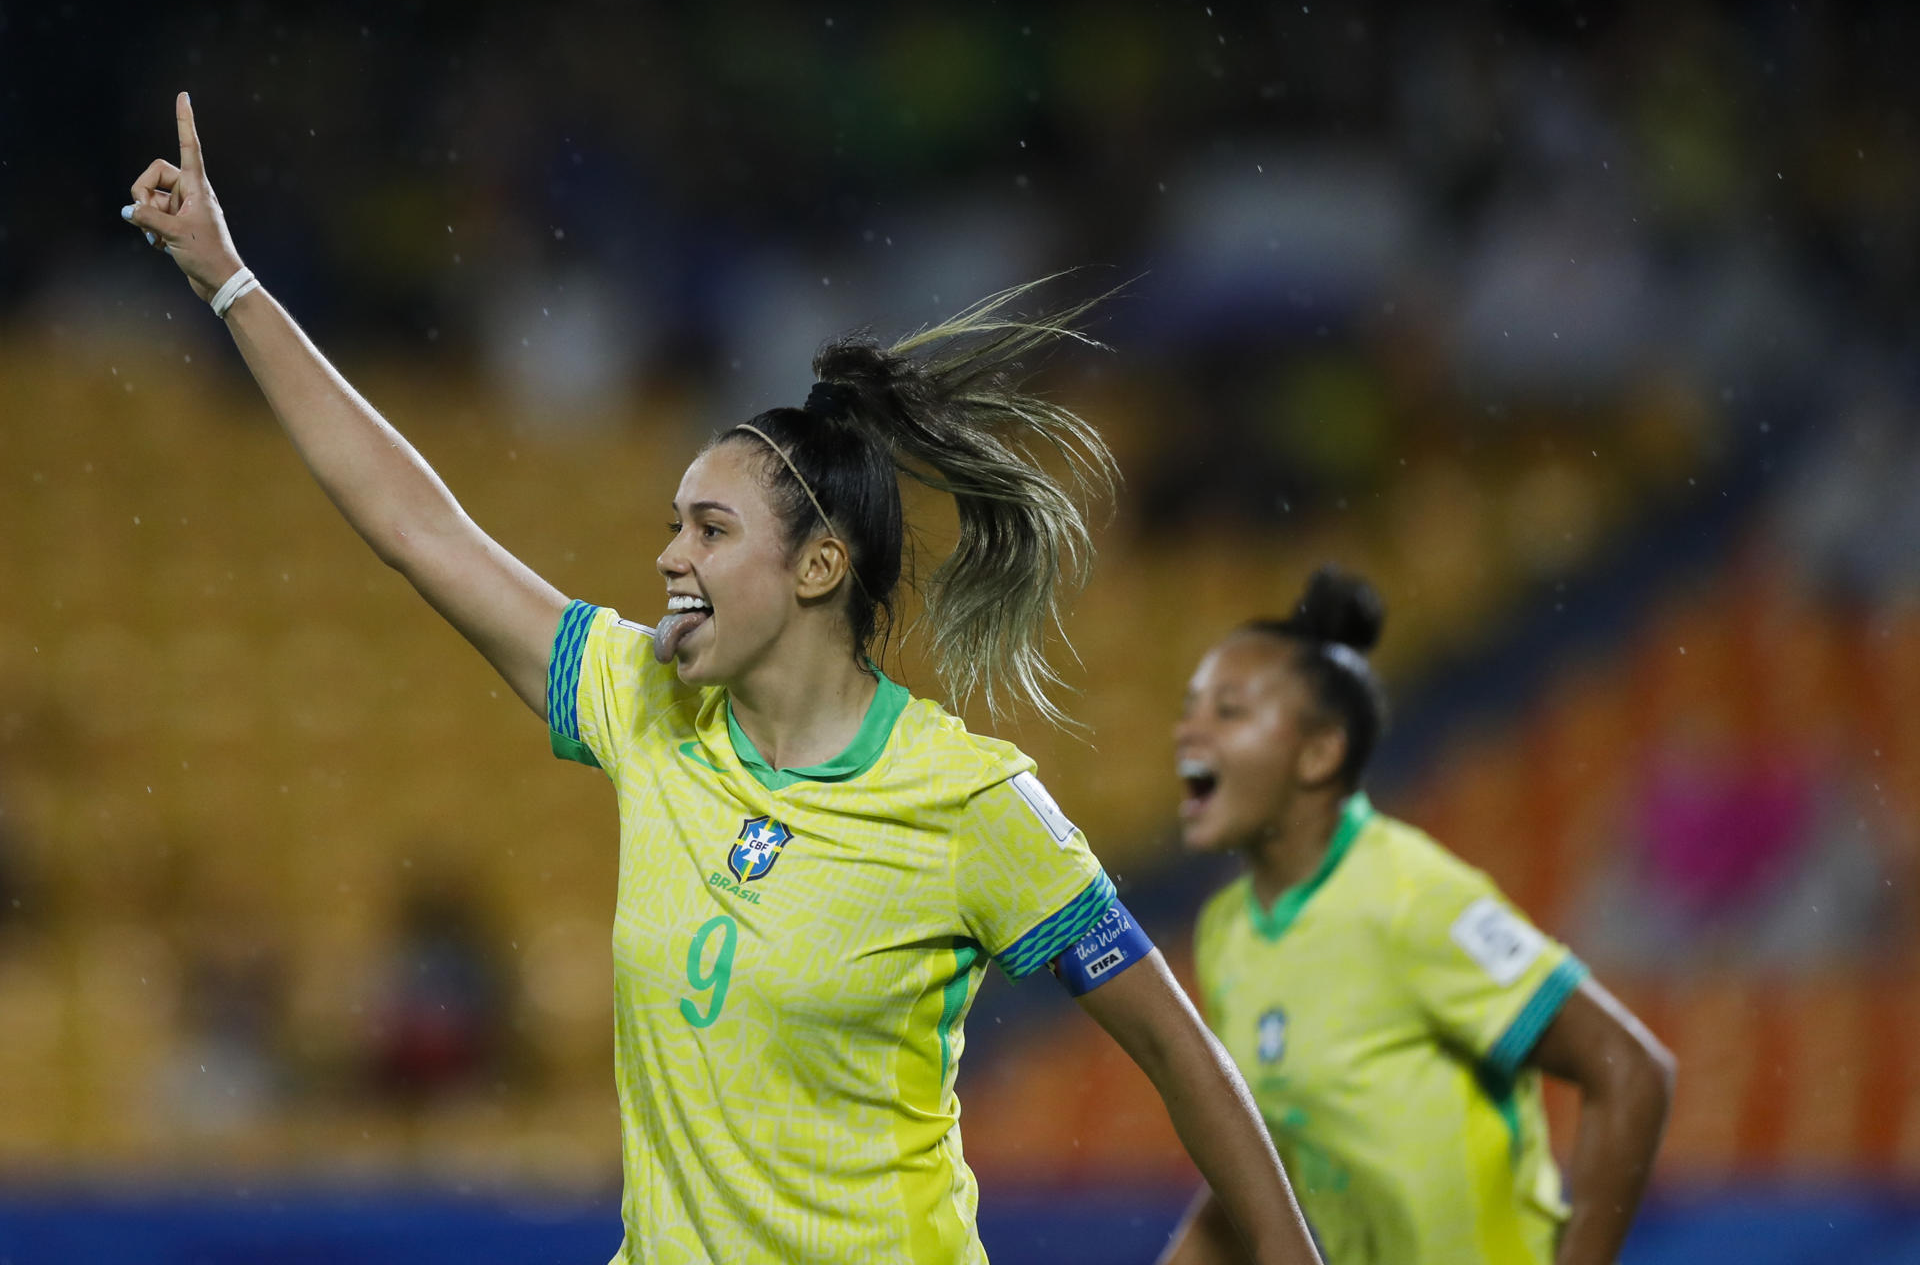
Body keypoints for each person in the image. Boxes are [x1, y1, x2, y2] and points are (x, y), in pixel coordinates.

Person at [121, 93, 1324, 1265]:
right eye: (671, 525)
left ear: (817, 564)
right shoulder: (645, 702)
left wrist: (1282, 1248)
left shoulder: (967, 804)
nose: (668, 556)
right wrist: (228, 281)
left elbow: (1178, 1051)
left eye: (707, 530)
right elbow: (419, 527)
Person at [1162, 568, 1675, 1265]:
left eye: (1228, 711)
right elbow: (1270, 1161)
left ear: (1320, 752)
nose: (1187, 731)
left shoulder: (1411, 894)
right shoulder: (1225, 932)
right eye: (1190, 707)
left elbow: (1630, 1068)